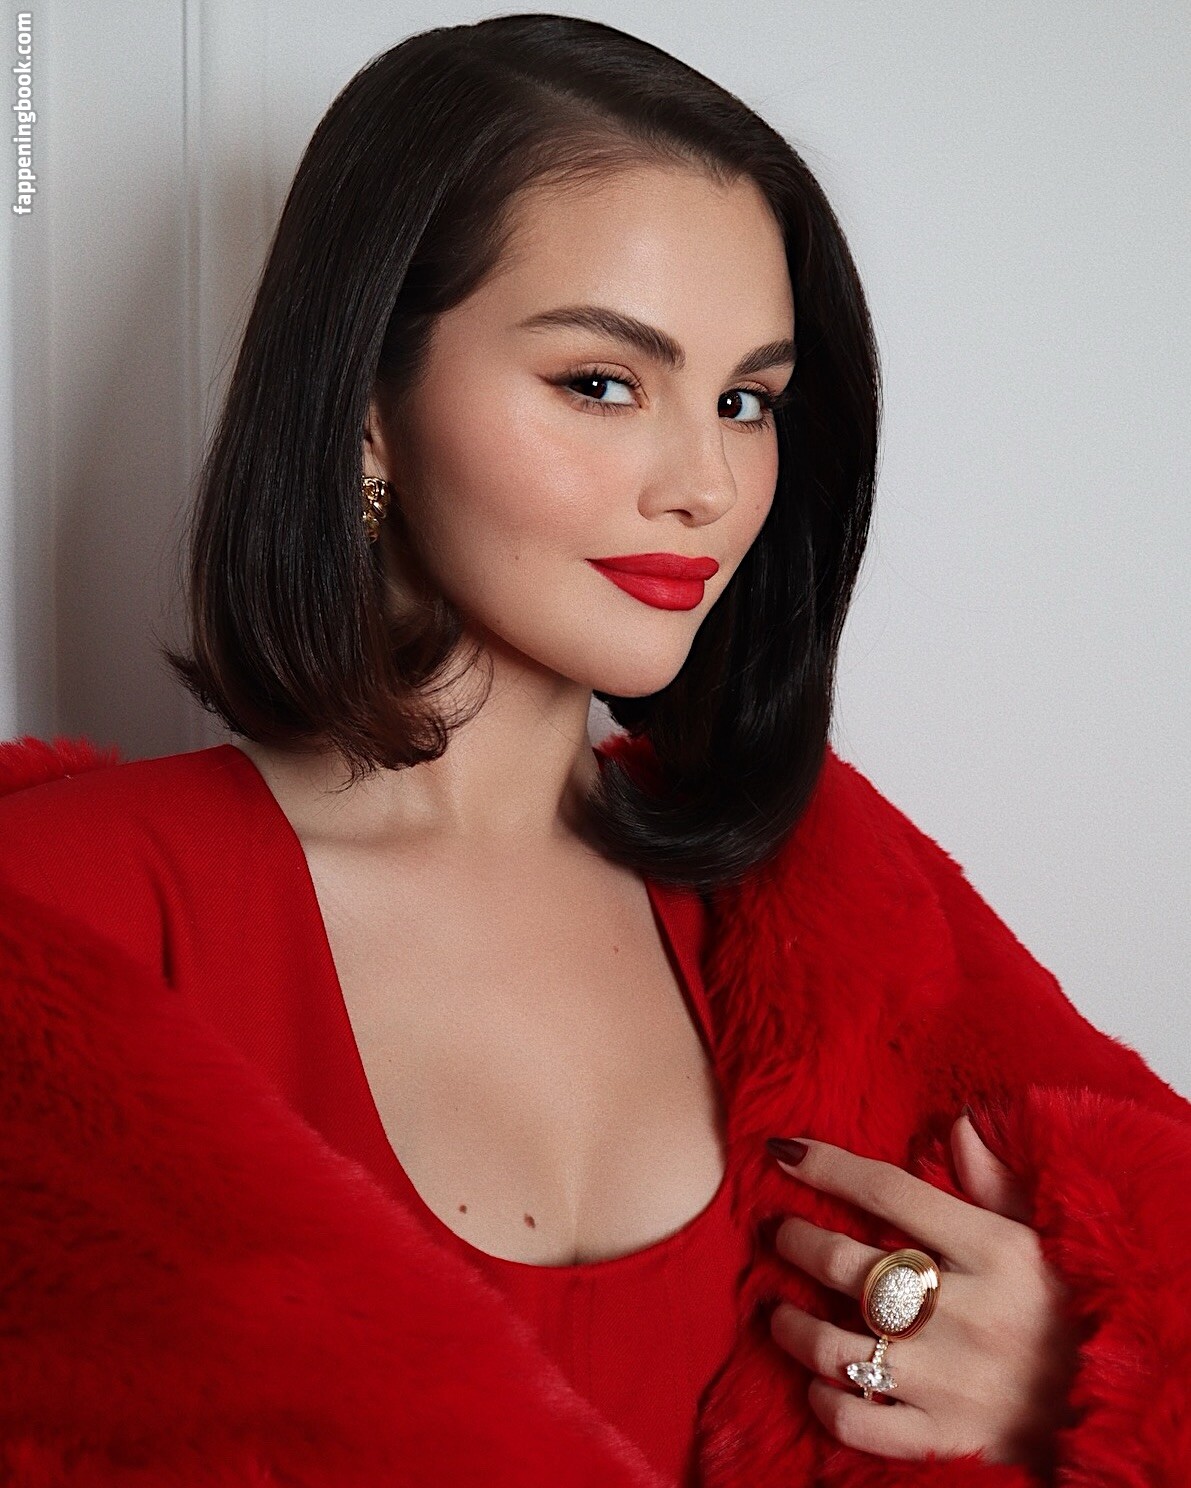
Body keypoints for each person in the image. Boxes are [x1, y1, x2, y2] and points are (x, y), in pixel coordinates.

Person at [0, 13, 1187, 1487]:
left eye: (746, 401)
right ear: (367, 409)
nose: (707, 484)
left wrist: (1088, 1375)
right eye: (603, 382)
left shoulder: (832, 904)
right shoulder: (60, 920)